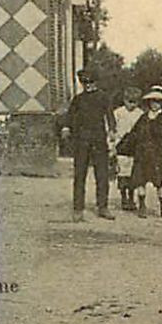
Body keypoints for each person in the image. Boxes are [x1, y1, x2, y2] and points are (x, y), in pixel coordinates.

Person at [61, 66, 117, 221]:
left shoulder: (104, 97)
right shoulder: (78, 99)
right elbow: (70, 115)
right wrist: (66, 127)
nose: (88, 86)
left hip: (99, 140)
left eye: (90, 83)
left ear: (96, 83)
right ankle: (78, 209)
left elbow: (110, 116)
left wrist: (112, 130)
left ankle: (103, 207)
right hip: (81, 140)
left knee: (102, 174)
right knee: (80, 175)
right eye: (84, 83)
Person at [128, 86, 162, 219]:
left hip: (156, 152)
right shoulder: (143, 117)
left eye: (157, 101)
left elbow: (161, 133)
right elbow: (135, 132)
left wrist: (152, 123)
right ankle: (142, 206)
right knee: (140, 180)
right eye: (152, 101)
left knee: (159, 182)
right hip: (142, 152)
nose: (154, 104)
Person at [113, 88, 142, 212]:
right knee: (122, 173)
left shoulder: (140, 114)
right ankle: (123, 197)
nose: (132, 105)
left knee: (132, 173)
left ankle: (131, 198)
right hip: (121, 146)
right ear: (124, 100)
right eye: (129, 101)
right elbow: (112, 129)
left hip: (134, 146)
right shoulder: (118, 113)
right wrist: (112, 145)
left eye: (134, 102)